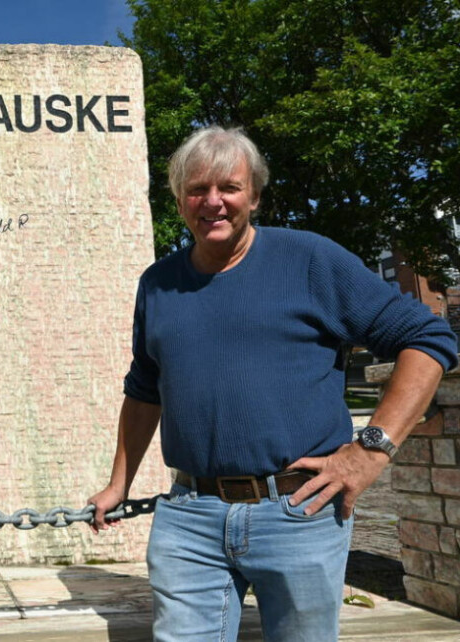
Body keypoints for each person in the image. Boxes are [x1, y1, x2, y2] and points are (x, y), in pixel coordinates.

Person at [88, 126, 458, 641]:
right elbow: (145, 388)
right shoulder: (158, 283)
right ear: (179, 199)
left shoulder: (310, 261)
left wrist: (371, 449)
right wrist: (118, 484)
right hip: (189, 517)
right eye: (196, 188)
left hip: (297, 511)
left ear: (255, 196)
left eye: (229, 188)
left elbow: (428, 339)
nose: (212, 201)